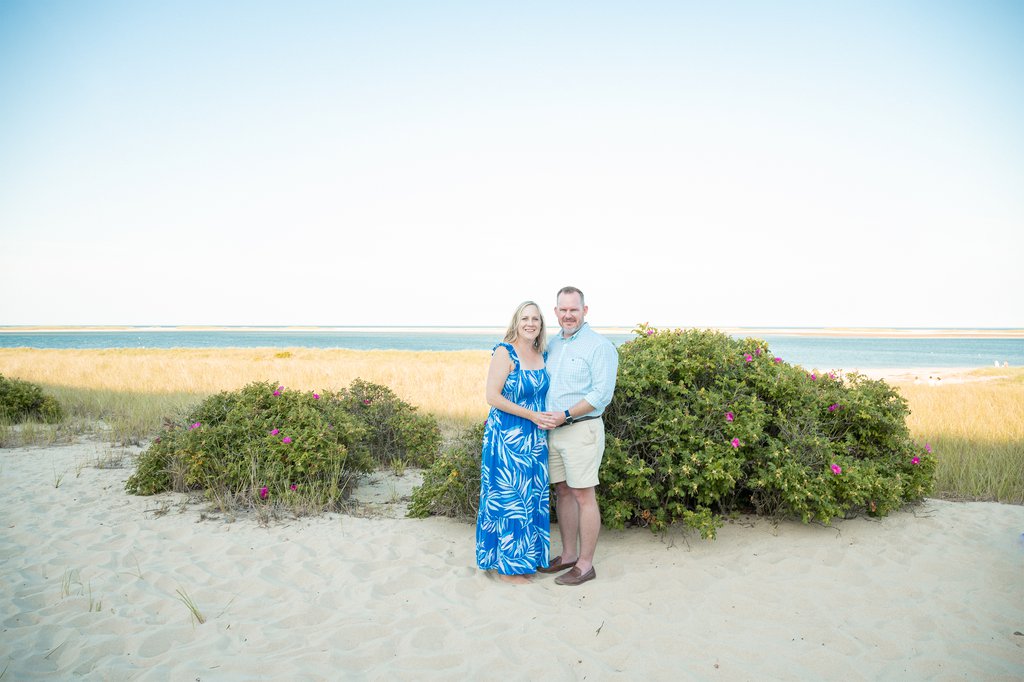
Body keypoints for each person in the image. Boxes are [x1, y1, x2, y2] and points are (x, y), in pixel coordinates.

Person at [538, 286, 618, 586]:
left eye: (574, 309)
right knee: (562, 491)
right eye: (563, 309)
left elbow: (602, 394)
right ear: (556, 311)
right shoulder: (552, 344)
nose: (568, 315)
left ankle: (585, 565)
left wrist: (566, 414)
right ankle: (569, 555)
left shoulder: (599, 346)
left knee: (584, 495)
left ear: (585, 311)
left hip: (581, 430)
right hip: (552, 433)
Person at [476, 301, 559, 584]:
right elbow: (492, 396)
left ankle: (526, 561)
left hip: (535, 439)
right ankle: (506, 569)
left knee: (531, 497)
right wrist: (531, 414)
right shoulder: (505, 351)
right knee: (509, 499)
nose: (530, 323)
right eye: (525, 318)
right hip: (507, 436)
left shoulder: (541, 353)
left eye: (535, 319)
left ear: (541, 324)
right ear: (516, 321)